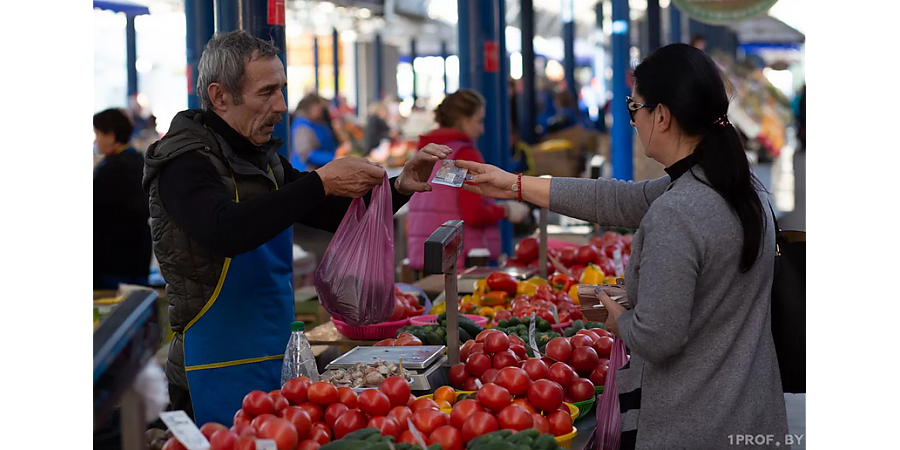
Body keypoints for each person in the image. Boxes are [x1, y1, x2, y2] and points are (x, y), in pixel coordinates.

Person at [456, 44, 788, 449]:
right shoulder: (741, 189)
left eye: (636, 108)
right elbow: (618, 200)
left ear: (661, 115)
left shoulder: (679, 211)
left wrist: (617, 316)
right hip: (754, 415)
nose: (633, 121)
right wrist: (515, 184)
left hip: (693, 424)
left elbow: (657, 338)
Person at [141, 30, 450, 426]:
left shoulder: (262, 159)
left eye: (282, 90)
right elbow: (226, 230)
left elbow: (330, 212)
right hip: (211, 368)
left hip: (276, 356)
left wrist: (400, 185)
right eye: (266, 92)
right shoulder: (183, 164)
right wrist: (319, 182)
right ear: (219, 97)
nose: (281, 106)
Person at [406, 89, 530, 273]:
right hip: (457, 262)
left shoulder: (425, 152)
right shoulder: (462, 155)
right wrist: (507, 210)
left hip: (425, 257)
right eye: (479, 121)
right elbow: (473, 213)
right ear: (464, 120)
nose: (482, 130)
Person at [93, 108, 153, 290]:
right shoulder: (140, 161)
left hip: (112, 259)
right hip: (139, 254)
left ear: (111, 136)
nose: (96, 141)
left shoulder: (110, 170)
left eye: (98, 134)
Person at [290, 93, 337, 169]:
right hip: (304, 171)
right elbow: (306, 153)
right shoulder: (302, 126)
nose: (321, 113)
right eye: (319, 109)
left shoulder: (313, 122)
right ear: (311, 108)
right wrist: (333, 157)